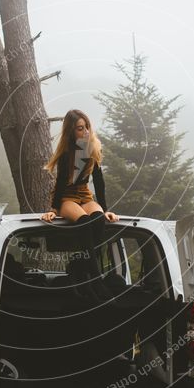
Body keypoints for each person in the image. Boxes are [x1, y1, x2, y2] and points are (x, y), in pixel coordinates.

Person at [41, 109, 119, 301]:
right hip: (67, 196)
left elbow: (99, 182)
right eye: (79, 128)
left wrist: (105, 209)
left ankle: (80, 268)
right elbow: (60, 184)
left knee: (98, 219)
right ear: (71, 131)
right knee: (84, 222)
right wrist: (54, 209)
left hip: (85, 194)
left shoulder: (93, 148)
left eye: (87, 127)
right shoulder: (66, 154)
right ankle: (96, 279)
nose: (85, 132)